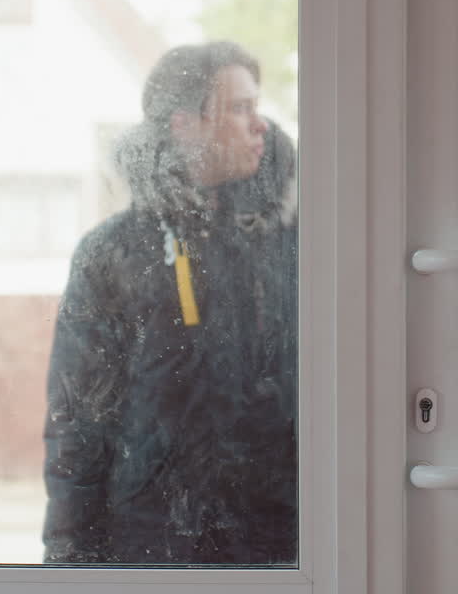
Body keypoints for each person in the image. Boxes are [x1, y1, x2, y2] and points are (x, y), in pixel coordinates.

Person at [42, 41, 298, 565]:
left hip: (282, 553)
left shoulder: (288, 244)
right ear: (185, 125)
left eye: (257, 106)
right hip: (151, 550)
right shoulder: (111, 253)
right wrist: (69, 561)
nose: (261, 125)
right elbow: (77, 424)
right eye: (240, 108)